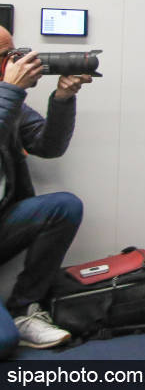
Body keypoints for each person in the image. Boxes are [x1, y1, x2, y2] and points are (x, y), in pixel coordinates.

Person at [0, 27, 90, 356]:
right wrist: (10, 90)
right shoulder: (7, 96)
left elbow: (48, 147)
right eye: (6, 56)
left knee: (64, 206)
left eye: (15, 52)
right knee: (3, 343)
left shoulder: (8, 101)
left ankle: (23, 309)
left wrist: (63, 99)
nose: (16, 61)